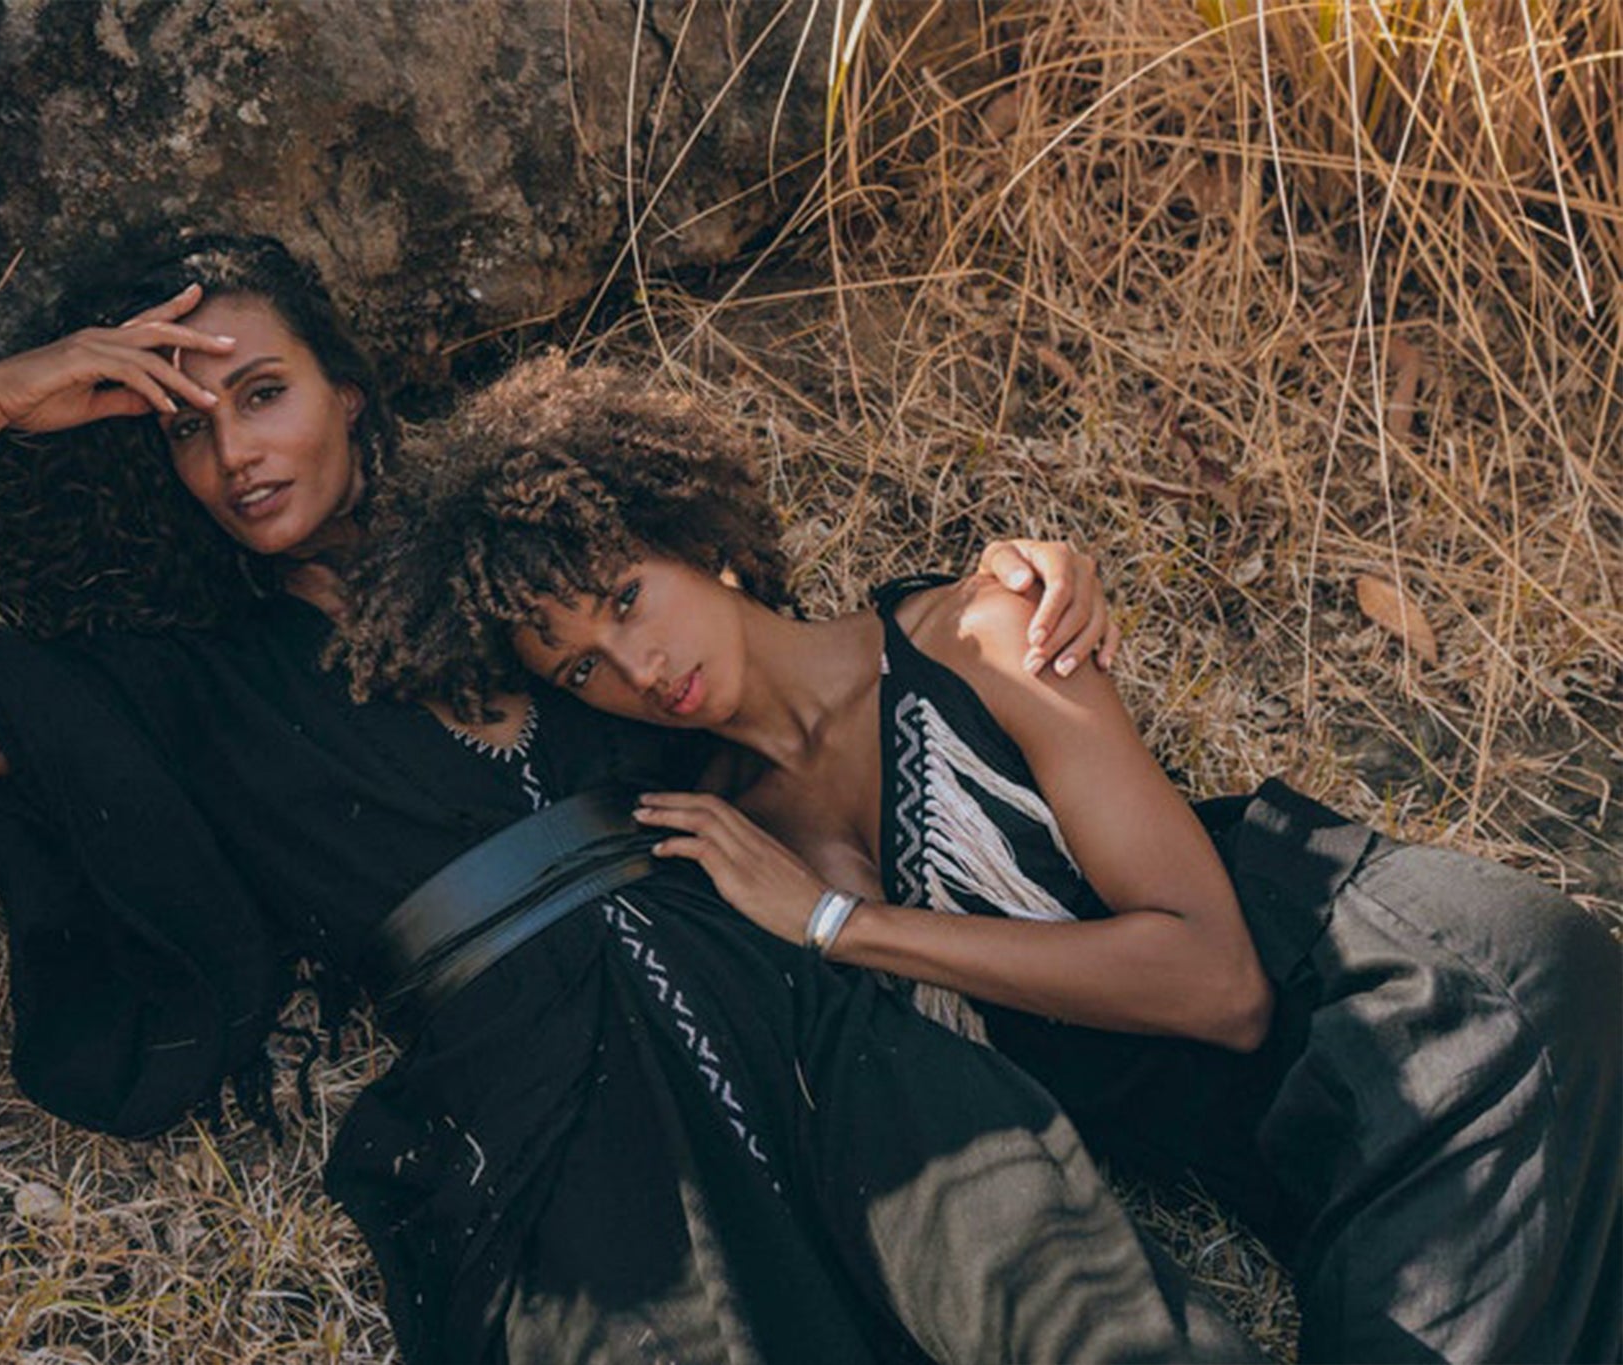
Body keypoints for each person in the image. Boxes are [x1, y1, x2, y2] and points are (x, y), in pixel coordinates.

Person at [0, 234, 1258, 1363]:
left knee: (1075, 1319)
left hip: (796, 1005)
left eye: (262, 393)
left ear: (347, 393)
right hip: (532, 1104)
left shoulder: (545, 564)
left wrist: (1030, 565)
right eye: (186, 428)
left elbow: (816, 670)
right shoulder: (180, 694)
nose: (234, 449)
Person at [344, 354, 1623, 1365]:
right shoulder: (718, 854)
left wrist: (842, 925)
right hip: (1308, 1164)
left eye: (625, 597)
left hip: (1429, 1016)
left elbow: (1217, 987)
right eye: (579, 666)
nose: (635, 669)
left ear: (694, 534)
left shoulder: (978, 628)